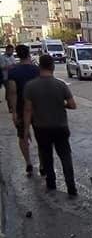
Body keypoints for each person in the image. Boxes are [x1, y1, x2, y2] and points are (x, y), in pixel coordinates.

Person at [23, 55, 78, 196]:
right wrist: (62, 104)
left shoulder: (30, 86)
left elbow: (28, 110)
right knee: (65, 157)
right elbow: (72, 105)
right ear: (52, 67)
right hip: (60, 127)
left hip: (41, 128)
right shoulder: (61, 85)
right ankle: (71, 187)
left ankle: (51, 184)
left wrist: (26, 130)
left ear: (40, 67)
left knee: (47, 157)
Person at [7, 44, 41, 176]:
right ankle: (43, 164)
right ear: (28, 54)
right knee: (41, 136)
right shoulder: (37, 70)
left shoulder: (13, 72)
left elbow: (12, 92)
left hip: (21, 108)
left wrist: (14, 112)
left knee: (22, 136)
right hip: (38, 108)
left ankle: (28, 163)